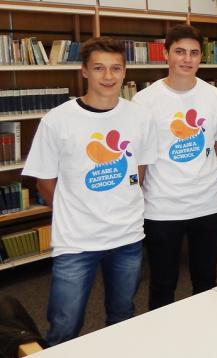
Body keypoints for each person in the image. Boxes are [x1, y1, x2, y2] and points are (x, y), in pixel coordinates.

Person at [22, 37, 157, 345]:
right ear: (84, 71)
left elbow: (140, 169)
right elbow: (44, 181)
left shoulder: (140, 117)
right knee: (65, 325)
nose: (108, 76)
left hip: (127, 236)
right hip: (76, 240)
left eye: (115, 68)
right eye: (99, 68)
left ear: (124, 72)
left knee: (122, 317)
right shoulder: (57, 120)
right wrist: (73, 211)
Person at [132, 24, 217, 310]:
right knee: (163, 283)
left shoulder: (214, 96)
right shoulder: (144, 101)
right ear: (166, 54)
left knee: (206, 279)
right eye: (180, 52)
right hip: (162, 206)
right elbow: (139, 154)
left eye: (194, 53)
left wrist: (206, 168)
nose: (187, 59)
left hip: (207, 203)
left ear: (201, 57)